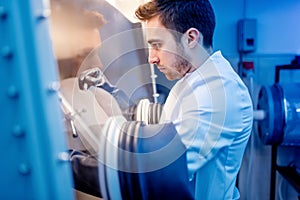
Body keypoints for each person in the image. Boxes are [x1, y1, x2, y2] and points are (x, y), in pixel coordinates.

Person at [134, 0, 253, 199]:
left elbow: (165, 168)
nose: (151, 58)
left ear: (190, 38)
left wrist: (73, 165)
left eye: (157, 45)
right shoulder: (190, 81)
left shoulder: (219, 91)